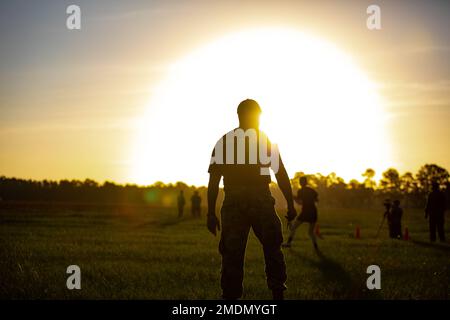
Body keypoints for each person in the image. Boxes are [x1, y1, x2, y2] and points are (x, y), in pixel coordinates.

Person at [206, 99, 297, 300]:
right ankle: (273, 294)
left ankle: (236, 298)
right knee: (265, 250)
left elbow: (214, 181)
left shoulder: (225, 141)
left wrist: (211, 213)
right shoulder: (263, 141)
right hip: (257, 201)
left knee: (235, 255)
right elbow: (281, 174)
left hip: (237, 203)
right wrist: (290, 204)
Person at [283, 176, 319, 249]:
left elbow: (299, 203)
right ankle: (315, 246)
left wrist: (293, 197)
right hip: (313, 212)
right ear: (306, 182)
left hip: (305, 212)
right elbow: (317, 200)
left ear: (300, 183)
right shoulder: (312, 190)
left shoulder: (301, 191)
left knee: (293, 228)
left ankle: (288, 243)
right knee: (311, 232)